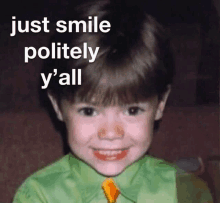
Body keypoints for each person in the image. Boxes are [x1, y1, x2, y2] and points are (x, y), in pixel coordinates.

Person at [13, 0, 213, 202]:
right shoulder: (38, 195)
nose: (110, 133)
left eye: (132, 110)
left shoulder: (187, 192)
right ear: (57, 106)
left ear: (160, 103)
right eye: (89, 111)